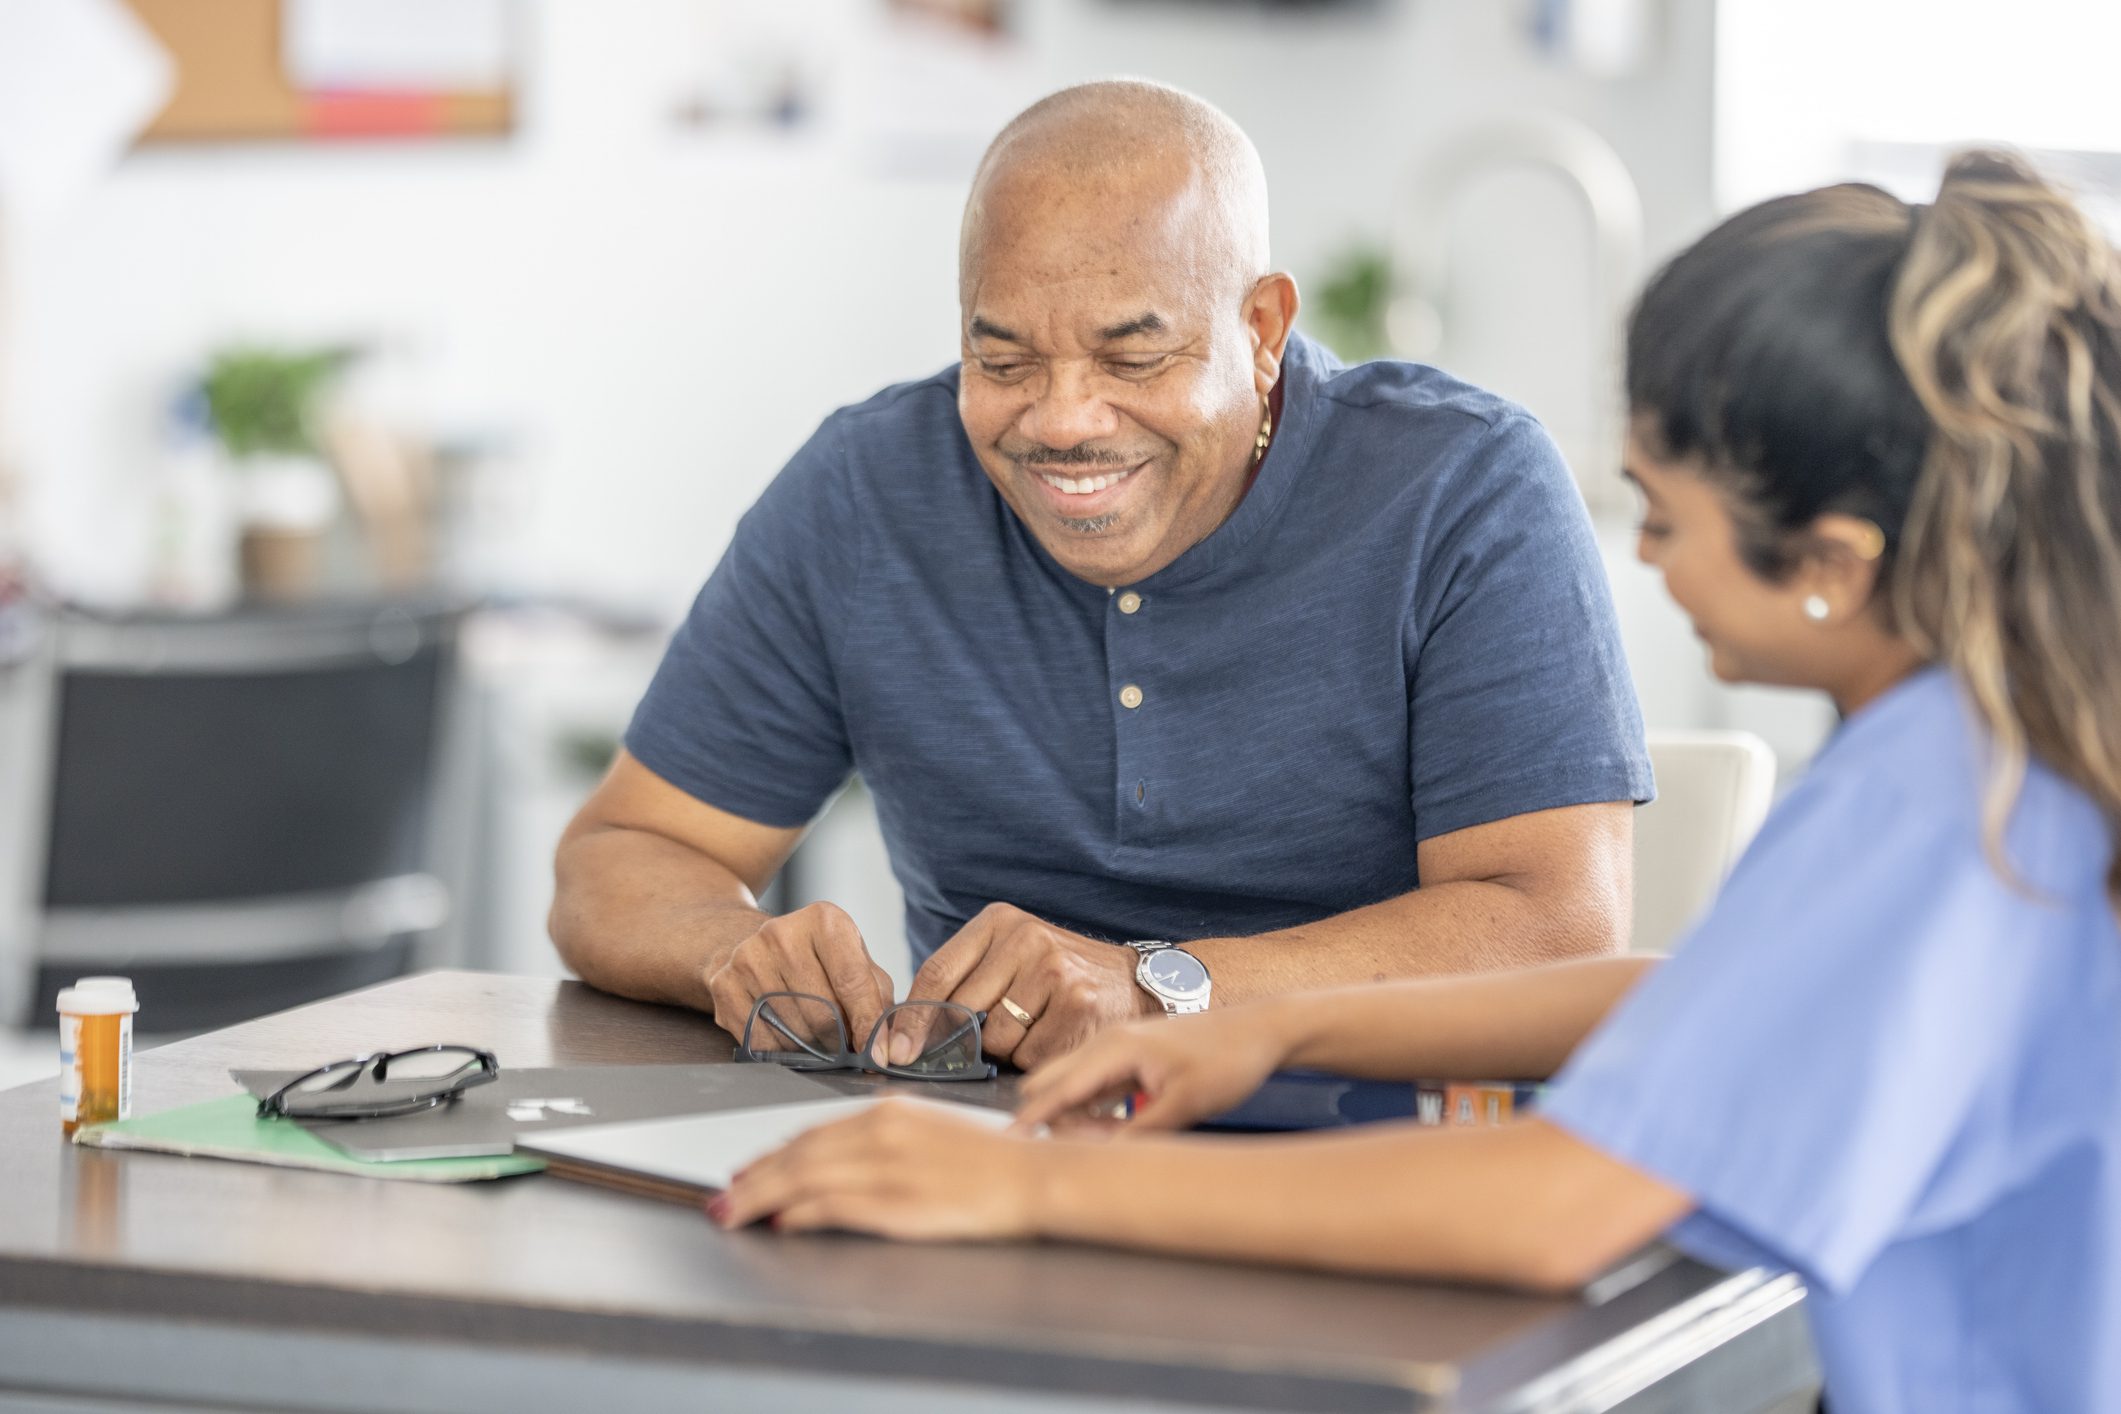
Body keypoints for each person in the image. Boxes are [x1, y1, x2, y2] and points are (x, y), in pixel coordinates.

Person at [713, 151, 2121, 1414]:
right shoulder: (1997, 756)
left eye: (1667, 517)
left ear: (1831, 562)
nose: (1642, 560)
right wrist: (1271, 1025)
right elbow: (1717, 993)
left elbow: (1560, 1206)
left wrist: (1026, 1186)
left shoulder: (1944, 803)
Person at [551, 79, 1651, 1069]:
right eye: (1002, 359)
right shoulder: (867, 488)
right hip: (988, 1156)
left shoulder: (1463, 486)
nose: (1063, 420)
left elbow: (1555, 924)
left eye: (1133, 357)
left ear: (1261, 329)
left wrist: (1153, 987)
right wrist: (733, 950)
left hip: (1370, 1149)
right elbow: (624, 853)